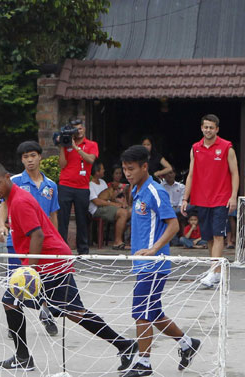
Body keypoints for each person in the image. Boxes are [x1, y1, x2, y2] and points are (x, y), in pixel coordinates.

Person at [0, 162, 136, 372]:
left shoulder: (19, 201)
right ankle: (123, 345)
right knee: (19, 304)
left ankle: (124, 345)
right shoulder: (12, 198)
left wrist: (31, 272)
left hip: (51, 263)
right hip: (47, 261)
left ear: (8, 177)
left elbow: (37, 235)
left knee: (71, 311)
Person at [120, 145, 200, 376]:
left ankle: (143, 363)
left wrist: (154, 249)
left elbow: (173, 224)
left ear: (145, 167)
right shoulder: (136, 190)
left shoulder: (155, 191)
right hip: (143, 263)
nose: (127, 173)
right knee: (153, 312)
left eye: (131, 169)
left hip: (154, 264)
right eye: (125, 169)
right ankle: (187, 344)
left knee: (140, 312)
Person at [0, 141, 59, 336]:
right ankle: (14, 323)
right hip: (18, 242)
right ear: (21, 160)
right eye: (25, 157)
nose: (30, 160)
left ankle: (46, 313)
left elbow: (53, 215)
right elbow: (3, 207)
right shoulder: (14, 181)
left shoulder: (51, 186)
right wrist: (0, 226)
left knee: (43, 280)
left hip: (42, 243)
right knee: (16, 282)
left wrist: (56, 240)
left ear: (40, 157)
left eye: (33, 155)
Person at [181, 114, 239, 288]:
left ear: (217, 129)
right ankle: (217, 273)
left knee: (218, 235)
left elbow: (235, 173)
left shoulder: (227, 147)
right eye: (205, 127)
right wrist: (185, 198)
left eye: (211, 127)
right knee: (208, 237)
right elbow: (191, 174)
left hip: (221, 198)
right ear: (201, 128)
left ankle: (213, 271)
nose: (208, 130)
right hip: (201, 198)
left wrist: (233, 196)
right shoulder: (195, 148)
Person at [57, 119, 98, 255]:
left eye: (80, 128)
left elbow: (91, 160)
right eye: (75, 129)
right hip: (65, 185)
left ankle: (83, 251)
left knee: (82, 219)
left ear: (84, 129)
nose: (78, 131)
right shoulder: (67, 143)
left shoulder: (91, 144)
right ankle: (62, 250)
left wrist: (76, 148)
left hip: (82, 187)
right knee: (63, 219)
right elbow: (62, 165)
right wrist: (63, 145)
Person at [89, 160, 129, 249]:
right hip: (97, 209)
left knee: (130, 211)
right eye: (102, 169)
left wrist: (120, 202)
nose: (104, 171)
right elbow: (97, 202)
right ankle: (117, 242)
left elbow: (110, 197)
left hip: (108, 206)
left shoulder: (102, 182)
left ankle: (128, 241)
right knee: (123, 213)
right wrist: (115, 205)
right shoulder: (90, 184)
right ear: (96, 172)